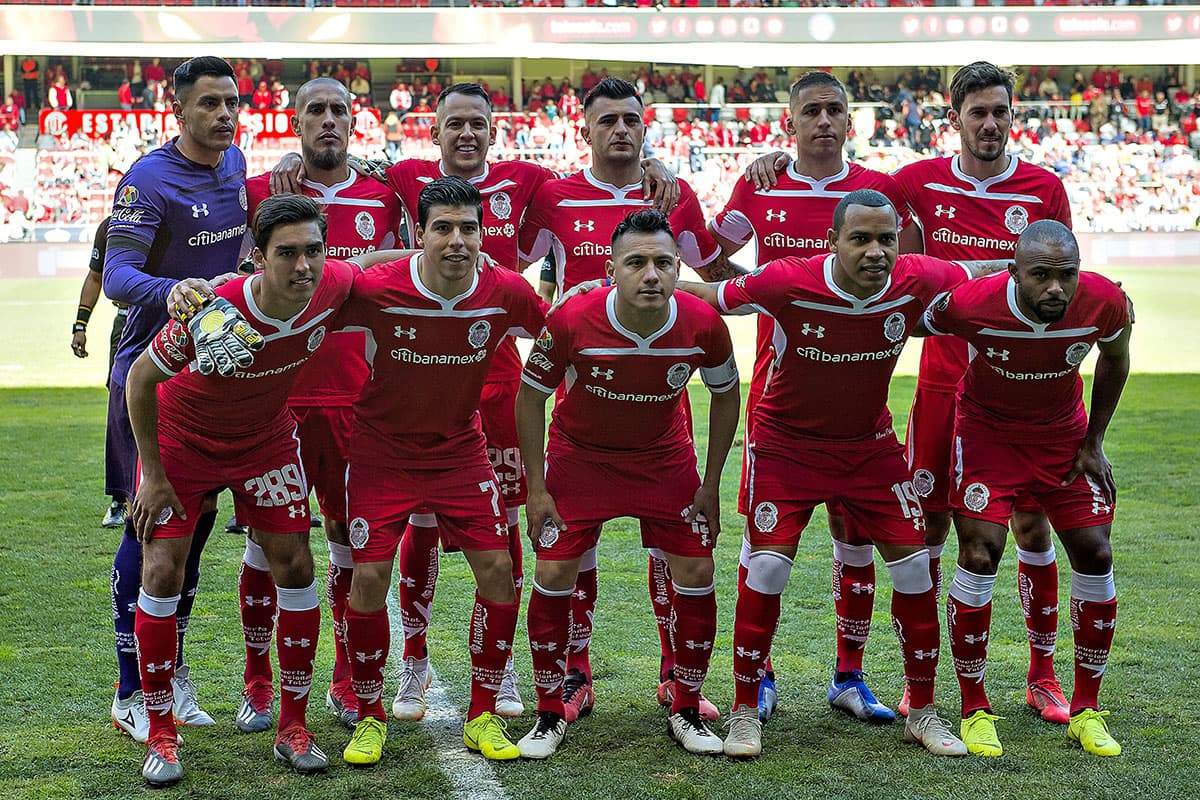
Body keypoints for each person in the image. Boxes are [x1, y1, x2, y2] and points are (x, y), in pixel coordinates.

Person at [271, 81, 677, 725]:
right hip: (411, 376)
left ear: (494, 130)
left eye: (477, 124)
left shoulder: (532, 182)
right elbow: (345, 182)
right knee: (418, 526)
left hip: (494, 372)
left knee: (507, 525)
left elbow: (608, 177)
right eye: (453, 124)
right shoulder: (401, 178)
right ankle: (413, 659)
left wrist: (654, 165)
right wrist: (290, 168)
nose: (466, 134)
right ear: (433, 133)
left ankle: (504, 669)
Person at [680, 189, 1010, 759]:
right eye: (861, 239)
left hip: (869, 447)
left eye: (886, 239)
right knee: (766, 569)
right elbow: (709, 294)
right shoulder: (788, 280)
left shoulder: (917, 277)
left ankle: (924, 712)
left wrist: (1054, 275)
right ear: (833, 242)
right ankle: (742, 712)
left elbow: (984, 271)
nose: (877, 251)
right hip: (786, 446)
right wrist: (606, 287)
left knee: (913, 569)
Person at [518, 76, 735, 724]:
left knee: (672, 550)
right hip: (581, 405)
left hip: (660, 407)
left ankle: (677, 675)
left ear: (647, 128)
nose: (619, 129)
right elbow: (505, 254)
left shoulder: (674, 194)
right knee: (571, 550)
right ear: (582, 127)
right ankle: (573, 676)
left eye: (630, 120)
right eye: (606, 119)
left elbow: (716, 274)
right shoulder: (554, 195)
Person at [125, 194, 356, 785]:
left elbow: (382, 261)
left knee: (297, 567)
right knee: (161, 572)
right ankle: (160, 733)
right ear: (258, 257)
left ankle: (292, 727)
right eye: (286, 254)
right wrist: (152, 472)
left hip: (265, 441)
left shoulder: (330, 286)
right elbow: (140, 379)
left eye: (313, 251)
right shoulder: (215, 310)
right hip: (184, 438)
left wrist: (449, 253)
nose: (303, 266)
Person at [711, 71, 911, 726]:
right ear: (789, 122)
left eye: (835, 110)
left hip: (859, 403)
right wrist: (767, 285)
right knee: (764, 547)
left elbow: (912, 273)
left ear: (851, 120)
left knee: (856, 539)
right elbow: (712, 259)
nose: (824, 120)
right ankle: (759, 677)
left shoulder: (877, 196)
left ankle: (849, 678)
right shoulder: (761, 184)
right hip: (781, 397)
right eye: (811, 111)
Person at [892, 61, 1075, 734]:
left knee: (1032, 526)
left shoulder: (1044, 189)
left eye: (1001, 111)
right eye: (978, 113)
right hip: (943, 387)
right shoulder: (917, 183)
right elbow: (906, 285)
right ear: (955, 119)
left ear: (1011, 117)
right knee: (934, 530)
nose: (991, 123)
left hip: (1023, 393)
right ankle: (927, 682)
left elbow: (1063, 292)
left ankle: (1043, 675)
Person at [338, 177, 545, 767]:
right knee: (369, 580)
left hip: (460, 451)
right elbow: (308, 303)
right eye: (443, 229)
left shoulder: (505, 290)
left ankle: (483, 713)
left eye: (469, 229)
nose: (458, 241)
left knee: (499, 569)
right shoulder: (377, 288)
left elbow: (560, 336)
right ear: (419, 235)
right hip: (381, 454)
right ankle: (371, 715)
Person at [918, 220, 1131, 758]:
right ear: (1014, 273)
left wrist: (1095, 439)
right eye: (1041, 276)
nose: (1056, 288)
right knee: (980, 553)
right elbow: (918, 321)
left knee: (1095, 550)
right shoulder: (972, 305)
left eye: (1067, 275)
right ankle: (974, 708)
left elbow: (1116, 354)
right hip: (988, 436)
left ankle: (1086, 708)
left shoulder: (1104, 301)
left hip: (1063, 438)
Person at [235, 77, 405, 735]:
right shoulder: (261, 193)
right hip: (275, 400)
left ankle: (341, 681)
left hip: (354, 400)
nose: (328, 120)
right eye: (315, 110)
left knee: (345, 540)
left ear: (355, 120)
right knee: (266, 540)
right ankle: (256, 683)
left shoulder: (387, 193)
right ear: (295, 120)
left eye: (339, 110)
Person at [102, 56, 247, 746]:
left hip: (209, 375)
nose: (224, 114)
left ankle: (173, 672)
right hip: (148, 377)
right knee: (151, 524)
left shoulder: (236, 164)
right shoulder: (149, 179)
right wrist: (172, 291)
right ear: (178, 109)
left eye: (231, 103)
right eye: (210, 103)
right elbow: (118, 274)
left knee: (194, 524)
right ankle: (133, 692)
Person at [70, 216, 131, 528]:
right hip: (126, 321)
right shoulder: (110, 227)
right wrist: (80, 325)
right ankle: (120, 499)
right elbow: (95, 277)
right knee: (121, 413)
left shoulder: (176, 218)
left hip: (170, 318)